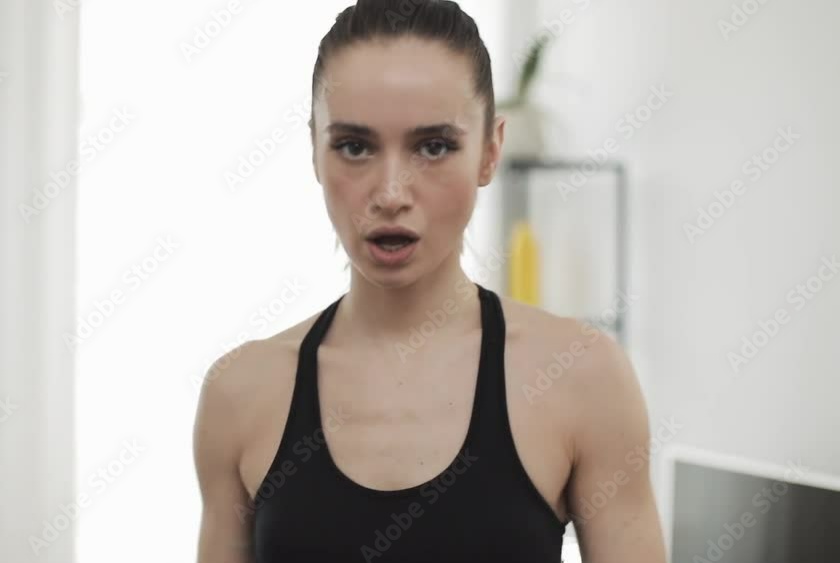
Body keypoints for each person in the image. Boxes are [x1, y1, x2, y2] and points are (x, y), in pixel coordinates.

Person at [193, 1, 667, 561]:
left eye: (434, 146)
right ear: (315, 152)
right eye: (355, 146)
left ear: (490, 152)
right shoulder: (240, 393)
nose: (392, 193)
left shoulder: (583, 378)